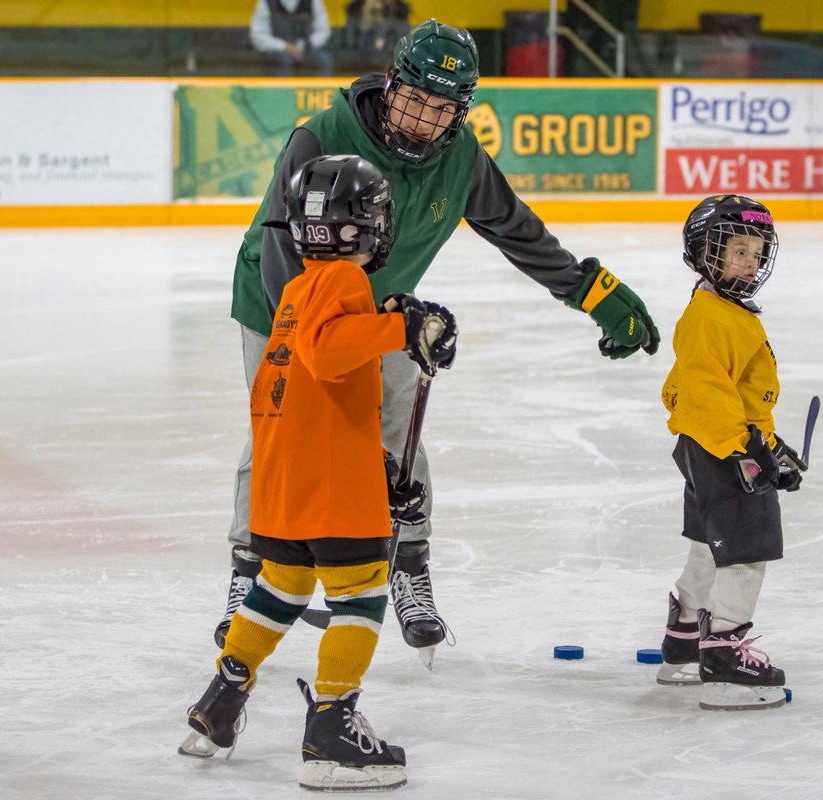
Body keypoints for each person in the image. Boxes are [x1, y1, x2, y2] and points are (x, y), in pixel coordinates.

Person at [214, 19, 660, 660]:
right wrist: (306, 332)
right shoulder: (323, 135)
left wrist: (592, 293)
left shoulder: (462, 160)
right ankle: (248, 571)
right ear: (392, 86)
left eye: (441, 108)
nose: (423, 119)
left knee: (395, 430)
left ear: (462, 111)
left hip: (382, 314)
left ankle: (409, 563)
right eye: (414, 100)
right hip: (276, 301)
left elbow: (517, 231)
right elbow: (283, 232)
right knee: (279, 431)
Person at [179, 153, 457, 793]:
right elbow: (330, 356)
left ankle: (220, 703)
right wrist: (400, 326)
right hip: (329, 488)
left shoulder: (297, 288)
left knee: (280, 588)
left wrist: (382, 464)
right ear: (364, 226)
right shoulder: (344, 285)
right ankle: (331, 729)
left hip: (285, 485)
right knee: (359, 594)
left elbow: (313, 389)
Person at [655, 195, 806, 711]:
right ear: (703, 253)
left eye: (756, 251)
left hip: (713, 444)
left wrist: (769, 442)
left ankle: (683, 636)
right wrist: (747, 452)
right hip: (721, 447)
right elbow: (704, 393)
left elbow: (737, 393)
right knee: (748, 546)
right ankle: (723, 655)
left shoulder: (725, 309)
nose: (748, 261)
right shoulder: (710, 318)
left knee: (709, 540)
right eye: (735, 249)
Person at [249, 0, 334, 77]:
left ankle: (321, 93)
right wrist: (284, 46)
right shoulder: (265, 2)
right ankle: (282, 93)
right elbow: (258, 35)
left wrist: (302, 46)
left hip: (307, 50)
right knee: (283, 59)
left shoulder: (314, 1)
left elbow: (323, 31)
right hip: (277, 52)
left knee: (324, 59)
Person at [343, 0, 410, 71]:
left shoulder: (399, 12)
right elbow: (350, 44)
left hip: (388, 68)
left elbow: (401, 46)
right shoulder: (354, 11)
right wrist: (368, 15)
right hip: (358, 67)